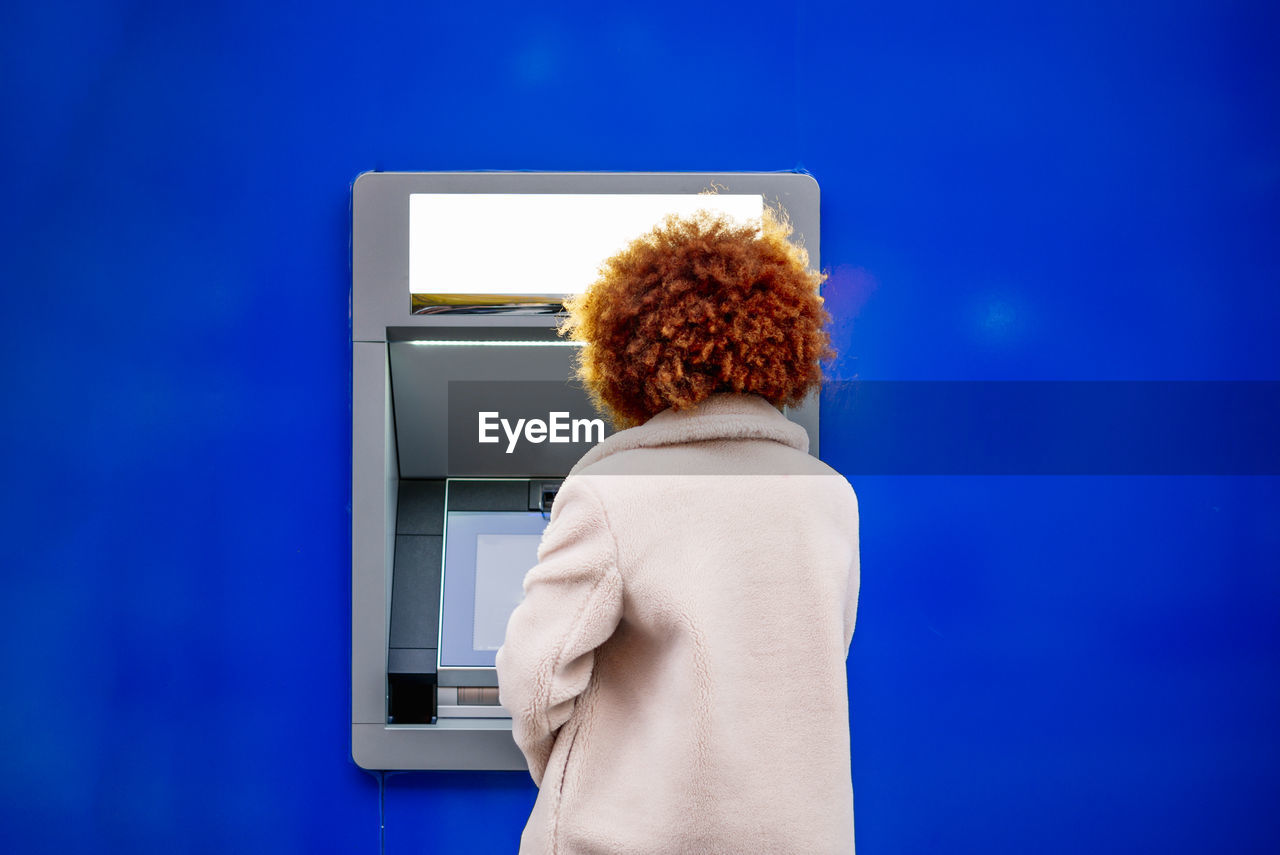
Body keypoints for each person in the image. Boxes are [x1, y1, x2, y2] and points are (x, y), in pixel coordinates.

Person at [495, 207, 861, 854]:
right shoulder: (830, 496)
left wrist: (577, 773)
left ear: (631, 348)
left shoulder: (612, 490)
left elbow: (533, 681)